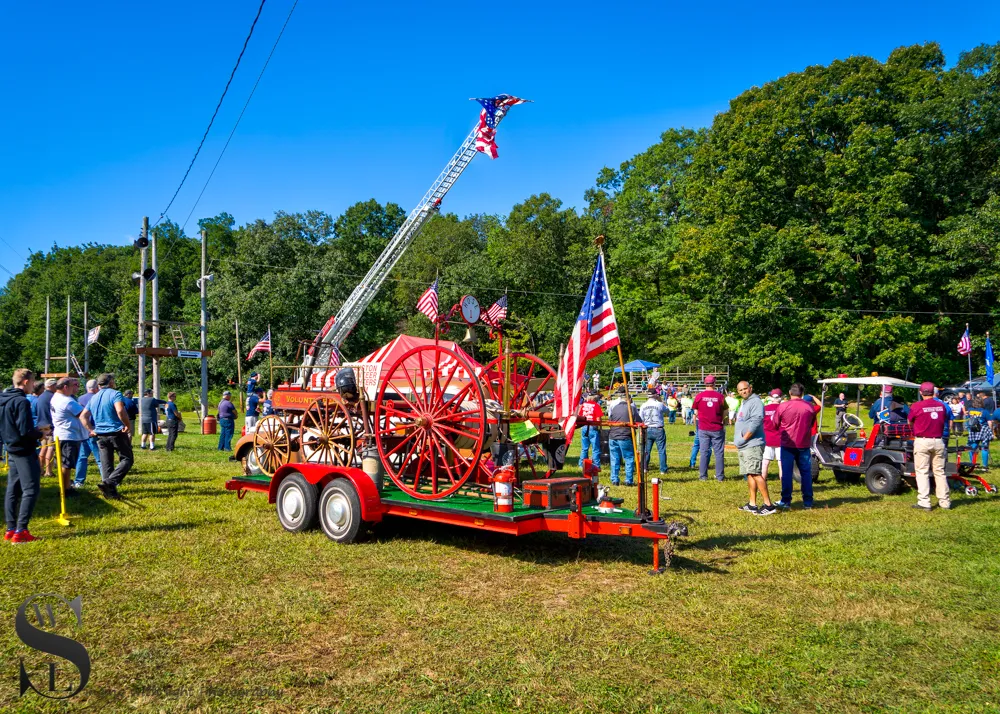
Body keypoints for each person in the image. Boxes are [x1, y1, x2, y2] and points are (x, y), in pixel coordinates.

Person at [1, 369, 45, 544]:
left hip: (10, 448)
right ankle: (21, 531)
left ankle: (10, 529)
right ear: (26, 382)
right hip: (23, 450)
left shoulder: (2, 399)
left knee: (13, 489)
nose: (33, 385)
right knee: (31, 489)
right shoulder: (21, 401)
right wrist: (40, 434)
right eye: (33, 382)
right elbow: (25, 430)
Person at [773, 383, 818, 509]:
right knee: (806, 472)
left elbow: (775, 423)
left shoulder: (783, 406)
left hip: (788, 443)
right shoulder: (809, 407)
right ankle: (808, 501)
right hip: (803, 443)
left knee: (786, 472)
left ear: (789, 392)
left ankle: (786, 500)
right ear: (802, 393)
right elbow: (811, 424)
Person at [90, 373, 134, 500]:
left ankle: (109, 493)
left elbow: (84, 415)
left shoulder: (94, 397)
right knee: (127, 459)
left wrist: (91, 429)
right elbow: (120, 410)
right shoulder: (115, 393)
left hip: (100, 434)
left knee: (106, 463)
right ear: (110, 382)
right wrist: (127, 425)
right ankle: (109, 482)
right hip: (115, 432)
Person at [734, 381, 776, 515]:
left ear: (750, 388)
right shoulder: (745, 402)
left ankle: (768, 505)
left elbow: (756, 421)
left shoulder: (755, 401)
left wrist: (745, 437)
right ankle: (752, 504)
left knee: (756, 474)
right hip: (744, 445)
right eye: (740, 390)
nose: (743, 392)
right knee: (750, 473)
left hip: (752, 444)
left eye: (745, 389)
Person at [908, 382, 951, 511]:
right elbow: (944, 420)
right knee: (940, 472)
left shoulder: (917, 406)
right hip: (938, 440)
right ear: (934, 392)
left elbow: (909, 421)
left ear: (921, 393)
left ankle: (924, 502)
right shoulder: (942, 406)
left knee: (922, 471)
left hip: (922, 440)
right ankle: (945, 502)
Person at [50, 377, 95, 494]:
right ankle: (66, 489)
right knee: (67, 464)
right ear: (65, 387)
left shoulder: (56, 397)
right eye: (73, 386)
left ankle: (64, 486)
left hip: (62, 434)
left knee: (64, 463)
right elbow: (83, 414)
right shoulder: (67, 401)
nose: (75, 388)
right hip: (69, 436)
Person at [693, 375, 727, 481]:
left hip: (703, 427)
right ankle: (720, 476)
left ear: (705, 383)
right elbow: (726, 411)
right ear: (714, 383)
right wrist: (723, 420)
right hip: (717, 427)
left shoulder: (699, 396)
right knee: (719, 453)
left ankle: (703, 476)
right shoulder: (720, 396)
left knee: (704, 452)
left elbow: (695, 411)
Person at [607, 387, 640, 486]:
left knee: (614, 458)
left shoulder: (615, 407)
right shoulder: (631, 408)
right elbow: (639, 421)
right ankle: (628, 480)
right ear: (628, 399)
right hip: (625, 436)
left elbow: (610, 419)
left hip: (613, 435)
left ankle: (614, 479)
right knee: (629, 457)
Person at [73, 378, 102, 488]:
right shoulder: (97, 398)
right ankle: (106, 479)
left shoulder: (80, 398)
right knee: (99, 457)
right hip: (94, 429)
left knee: (82, 457)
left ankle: (78, 481)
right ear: (96, 388)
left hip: (83, 430)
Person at [639, 392, 668, 475]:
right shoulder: (659, 404)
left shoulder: (643, 405)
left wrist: (641, 430)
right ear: (655, 395)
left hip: (647, 428)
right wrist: (661, 400)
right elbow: (668, 411)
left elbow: (641, 418)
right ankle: (663, 469)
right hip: (658, 428)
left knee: (646, 450)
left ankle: (644, 468)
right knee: (661, 450)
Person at [35, 378, 57, 477]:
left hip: (41, 425)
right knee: (50, 448)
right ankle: (48, 471)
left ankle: (40, 469)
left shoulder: (40, 397)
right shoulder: (53, 397)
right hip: (49, 426)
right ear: (52, 386)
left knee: (43, 448)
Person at [577, 393, 603, 469]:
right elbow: (598, 419)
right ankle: (596, 465)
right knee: (595, 448)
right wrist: (600, 428)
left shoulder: (583, 405)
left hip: (584, 426)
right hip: (593, 426)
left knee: (584, 447)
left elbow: (579, 415)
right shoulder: (596, 406)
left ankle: (581, 464)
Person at [762, 389, 783, 480]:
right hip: (781, 439)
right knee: (781, 463)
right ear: (781, 397)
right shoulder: (784, 408)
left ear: (770, 397)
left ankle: (761, 483)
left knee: (765, 462)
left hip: (767, 438)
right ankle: (784, 486)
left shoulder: (764, 408)